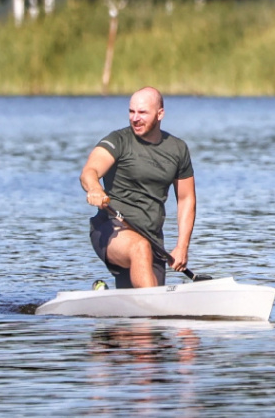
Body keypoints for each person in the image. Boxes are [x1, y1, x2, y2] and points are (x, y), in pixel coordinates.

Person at [80, 86, 196, 288]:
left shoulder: (177, 149)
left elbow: (186, 199)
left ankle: (106, 296)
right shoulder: (118, 141)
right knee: (139, 248)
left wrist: (182, 246)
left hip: (152, 240)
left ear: (160, 114)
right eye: (131, 111)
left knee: (139, 299)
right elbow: (89, 171)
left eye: (142, 112)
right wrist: (95, 189)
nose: (135, 118)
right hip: (111, 228)